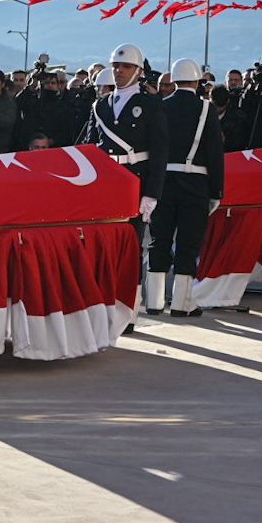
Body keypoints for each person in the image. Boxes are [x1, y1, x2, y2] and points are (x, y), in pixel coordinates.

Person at [144, 58, 224, 318]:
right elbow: (215, 153)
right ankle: (181, 303)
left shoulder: (160, 106)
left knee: (159, 240)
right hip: (196, 183)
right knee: (188, 242)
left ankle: (154, 302)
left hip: (163, 182)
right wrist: (216, 191)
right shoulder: (206, 109)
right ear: (198, 80)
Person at [87, 43, 168, 250]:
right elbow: (91, 147)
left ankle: (133, 284)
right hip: (106, 180)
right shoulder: (100, 105)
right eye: (115, 66)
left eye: (126, 66)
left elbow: (159, 151)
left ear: (139, 71)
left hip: (136, 180)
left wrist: (152, 193)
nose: (119, 71)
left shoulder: (150, 104)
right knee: (102, 242)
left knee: (131, 244)